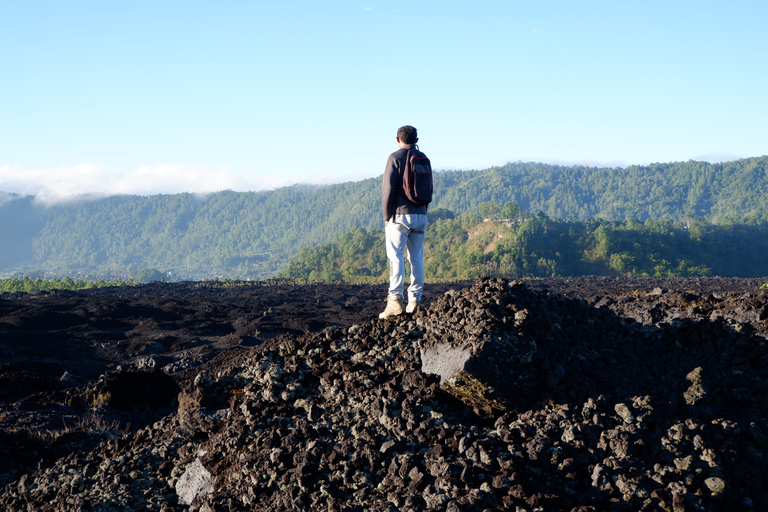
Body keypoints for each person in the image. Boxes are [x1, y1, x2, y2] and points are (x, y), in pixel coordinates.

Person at [379, 125, 428, 319]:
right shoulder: (424, 158)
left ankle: (395, 301)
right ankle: (415, 301)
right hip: (421, 214)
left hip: (399, 216)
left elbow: (388, 190)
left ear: (398, 139)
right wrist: (423, 212)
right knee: (416, 258)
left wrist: (386, 215)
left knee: (396, 257)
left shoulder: (395, 157)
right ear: (416, 139)